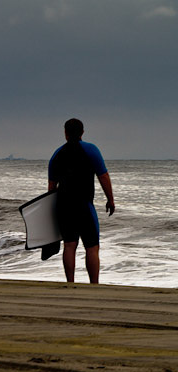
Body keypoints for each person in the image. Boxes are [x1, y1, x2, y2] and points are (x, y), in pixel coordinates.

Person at [47, 118, 115, 284]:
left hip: (64, 205)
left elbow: (51, 187)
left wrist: (51, 211)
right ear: (82, 132)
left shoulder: (57, 154)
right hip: (84, 205)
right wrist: (110, 199)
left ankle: (70, 282)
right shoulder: (91, 150)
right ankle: (94, 284)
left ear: (65, 133)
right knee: (91, 247)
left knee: (69, 245)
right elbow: (103, 176)